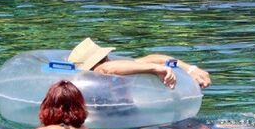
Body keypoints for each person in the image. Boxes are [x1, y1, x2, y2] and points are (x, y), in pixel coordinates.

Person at [65, 37, 212, 88]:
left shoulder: (120, 68)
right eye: (103, 58)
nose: (108, 60)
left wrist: (190, 69)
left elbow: (152, 58)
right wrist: (156, 69)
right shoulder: (98, 73)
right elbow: (105, 69)